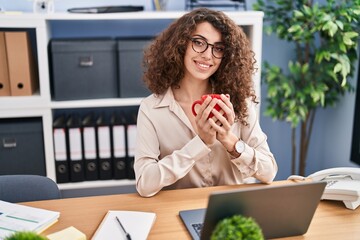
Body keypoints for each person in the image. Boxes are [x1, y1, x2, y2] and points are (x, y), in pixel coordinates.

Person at [134, 8, 278, 197]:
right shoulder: (152, 109)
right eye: (199, 43)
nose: (208, 55)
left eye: (218, 48)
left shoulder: (238, 102)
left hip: (230, 211)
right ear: (181, 45)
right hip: (176, 212)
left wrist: (230, 141)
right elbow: (145, 184)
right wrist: (200, 144)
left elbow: (269, 172)